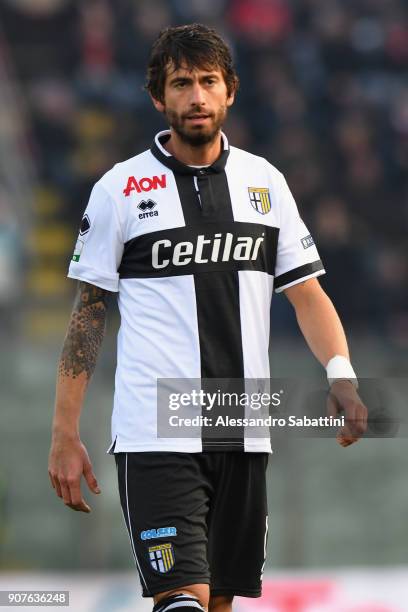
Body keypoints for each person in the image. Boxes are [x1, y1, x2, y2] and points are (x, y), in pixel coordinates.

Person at [48, 23, 367, 612]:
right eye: (181, 83)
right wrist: (65, 433)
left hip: (242, 426)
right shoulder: (119, 190)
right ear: (158, 98)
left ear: (230, 91)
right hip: (155, 431)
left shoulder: (264, 182)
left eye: (208, 82)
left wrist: (340, 373)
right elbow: (88, 316)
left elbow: (307, 294)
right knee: (181, 601)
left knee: (218, 604)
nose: (196, 96)